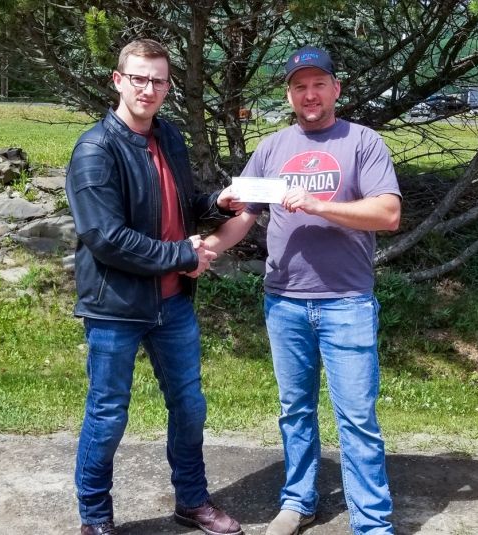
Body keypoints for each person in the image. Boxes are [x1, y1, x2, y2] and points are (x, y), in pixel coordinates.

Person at [205, 45, 401, 535]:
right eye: (299, 86)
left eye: (318, 84)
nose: (309, 94)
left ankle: (372, 523)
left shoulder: (363, 142)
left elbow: (388, 214)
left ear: (336, 89)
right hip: (285, 301)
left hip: (347, 302)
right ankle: (297, 502)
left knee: (356, 419)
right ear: (289, 94)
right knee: (294, 412)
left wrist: (317, 204)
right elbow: (244, 217)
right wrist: (203, 251)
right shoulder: (272, 149)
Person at [65, 38, 244, 535]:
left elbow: (178, 205)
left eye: (158, 80)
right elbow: (105, 237)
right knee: (107, 415)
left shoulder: (168, 137)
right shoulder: (95, 149)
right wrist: (184, 255)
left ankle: (192, 501)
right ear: (118, 80)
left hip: (173, 305)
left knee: (189, 407)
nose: (149, 88)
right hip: (115, 308)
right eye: (139, 78)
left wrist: (217, 205)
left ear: (168, 86)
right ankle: (95, 519)